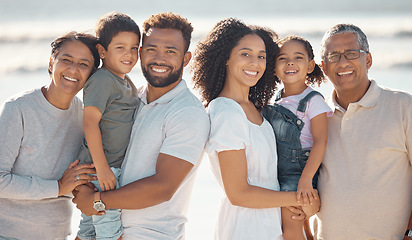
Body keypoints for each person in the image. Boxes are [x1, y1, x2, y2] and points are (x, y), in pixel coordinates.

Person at [72, 12, 210, 239]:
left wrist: (96, 201)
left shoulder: (187, 113)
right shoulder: (133, 98)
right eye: (151, 49)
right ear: (141, 52)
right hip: (104, 226)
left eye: (171, 51)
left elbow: (163, 187)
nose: (159, 58)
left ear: (186, 59)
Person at [192, 18, 320, 240]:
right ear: (226, 59)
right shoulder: (226, 112)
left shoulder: (256, 109)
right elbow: (239, 194)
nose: (255, 63)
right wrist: (299, 198)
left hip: (270, 226)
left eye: (261, 56)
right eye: (245, 54)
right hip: (245, 229)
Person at [313, 23, 412, 240]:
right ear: (324, 67)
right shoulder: (316, 116)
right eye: (334, 56)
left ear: (368, 60)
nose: (343, 62)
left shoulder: (403, 106)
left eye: (351, 53)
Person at [0, 32, 100, 239]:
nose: (73, 69)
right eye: (66, 60)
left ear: (92, 74)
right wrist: (58, 187)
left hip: (57, 235)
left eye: (84, 64)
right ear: (51, 63)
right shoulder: (18, 109)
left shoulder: (85, 117)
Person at [76, 12, 140, 240]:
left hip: (107, 168)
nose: (129, 54)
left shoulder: (125, 81)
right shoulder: (103, 80)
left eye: (134, 48)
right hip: (102, 170)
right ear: (102, 51)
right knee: (110, 231)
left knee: (89, 230)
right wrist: (102, 168)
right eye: (120, 47)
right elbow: (89, 122)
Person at [262, 36, 332, 240]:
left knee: (290, 229)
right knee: (304, 230)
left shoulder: (313, 100)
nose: (290, 62)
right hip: (277, 173)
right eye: (283, 58)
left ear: (310, 66)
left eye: (298, 57)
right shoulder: (275, 100)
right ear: (274, 68)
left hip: (299, 174)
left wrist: (305, 180)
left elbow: (321, 142)